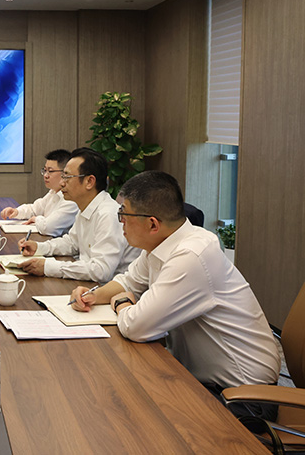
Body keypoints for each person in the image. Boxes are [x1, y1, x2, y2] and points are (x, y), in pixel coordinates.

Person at [68, 171, 280, 414]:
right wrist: (94, 296)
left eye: (123, 215)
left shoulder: (191, 255)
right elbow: (129, 281)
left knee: (126, 409)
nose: (120, 223)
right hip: (200, 379)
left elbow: (136, 327)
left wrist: (122, 303)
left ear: (152, 224)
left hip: (242, 397)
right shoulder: (161, 244)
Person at [17, 147, 139, 282]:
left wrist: (48, 267)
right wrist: (40, 247)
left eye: (67, 177)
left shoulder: (108, 215)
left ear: (89, 182)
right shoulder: (85, 207)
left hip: (107, 289)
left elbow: (101, 271)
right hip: (87, 283)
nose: (62, 183)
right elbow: (72, 243)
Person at [0, 149, 79, 236]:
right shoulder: (53, 192)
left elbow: (48, 228)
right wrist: (17, 211)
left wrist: (37, 219)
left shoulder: (71, 199)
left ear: (65, 173)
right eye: (45, 170)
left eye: (50, 171)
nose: (45, 175)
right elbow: (34, 209)